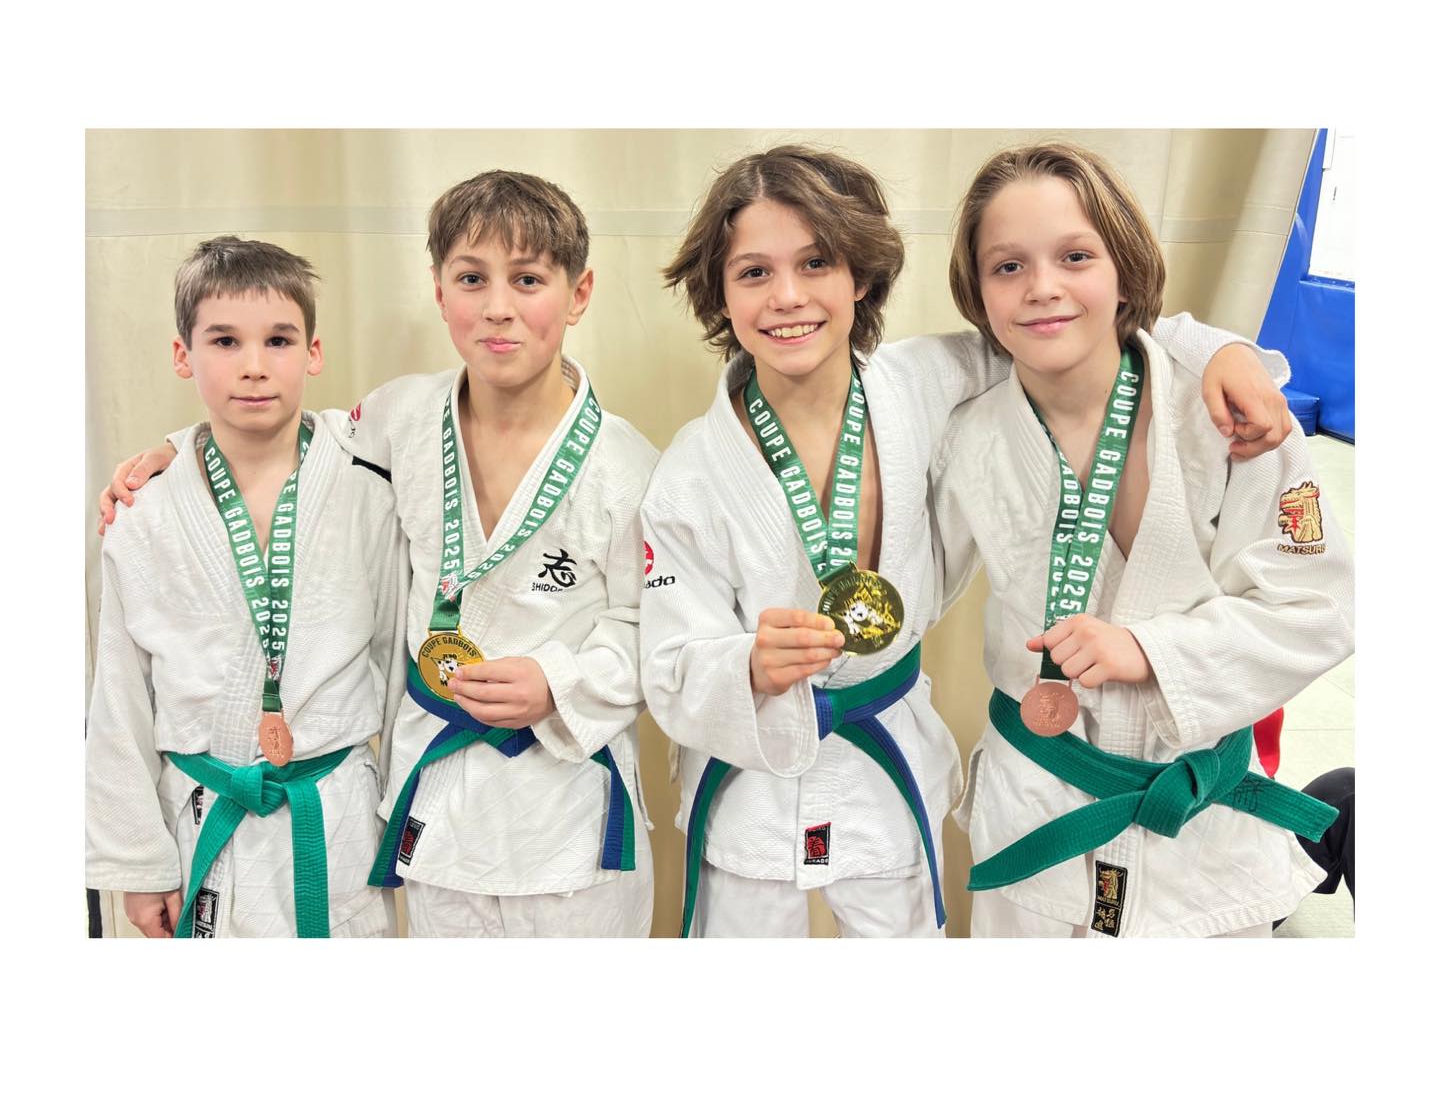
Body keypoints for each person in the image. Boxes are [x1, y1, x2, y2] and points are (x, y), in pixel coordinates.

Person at [641, 145, 1290, 937]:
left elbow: (1073, 322)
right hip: (753, 784)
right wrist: (743, 664)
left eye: (816, 262)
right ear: (719, 291)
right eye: (753, 273)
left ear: (861, 276)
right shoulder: (689, 472)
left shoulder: (923, 381)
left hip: (888, 767)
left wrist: (1219, 349)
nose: (787, 297)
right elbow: (668, 659)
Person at [95, 172, 658, 937]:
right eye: (472, 279)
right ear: (439, 290)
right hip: (433, 806)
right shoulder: (399, 417)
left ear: (579, 292)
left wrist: (561, 683)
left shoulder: (629, 467)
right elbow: (283, 433)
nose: (498, 307)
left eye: (527, 279)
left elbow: (655, 627)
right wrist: (174, 453)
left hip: (565, 806)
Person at [931, 143, 1354, 936]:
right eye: (1008, 266)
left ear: (1124, 268)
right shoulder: (967, 439)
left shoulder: (1236, 420)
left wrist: (1152, 652)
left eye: (1075, 256)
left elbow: (1318, 608)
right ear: (977, 292)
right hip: (1040, 801)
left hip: (1197, 820)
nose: (1042, 286)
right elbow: (910, 582)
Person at [85, 236, 409, 937]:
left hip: (336, 817)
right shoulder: (144, 513)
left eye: (279, 340)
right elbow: (120, 697)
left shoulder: (367, 490)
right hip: (203, 812)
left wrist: (399, 813)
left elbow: (396, 668)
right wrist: (139, 865)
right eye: (225, 341)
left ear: (313, 353)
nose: (255, 366)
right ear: (183, 355)